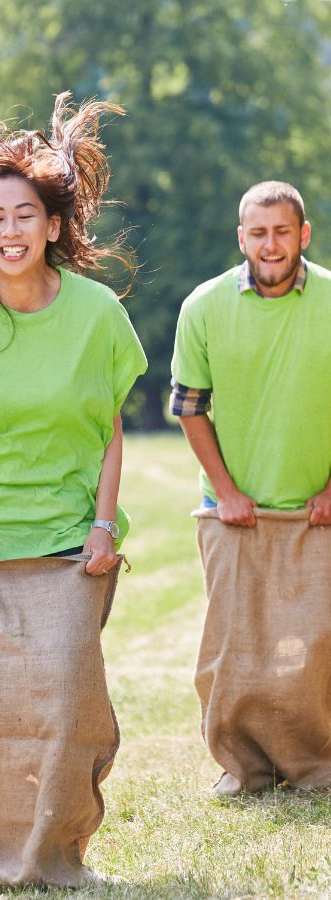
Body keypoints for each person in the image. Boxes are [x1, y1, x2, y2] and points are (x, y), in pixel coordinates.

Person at [0, 93, 147, 895]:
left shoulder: (97, 313)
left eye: (23, 216)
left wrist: (105, 523)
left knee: (72, 704)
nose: (8, 231)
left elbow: (111, 428)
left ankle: (59, 858)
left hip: (71, 543)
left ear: (52, 225)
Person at [171, 180, 331, 796]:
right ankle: (243, 768)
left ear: (303, 235)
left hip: (316, 510)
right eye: (258, 233)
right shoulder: (203, 307)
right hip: (232, 509)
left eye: (282, 232)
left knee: (315, 650)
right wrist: (225, 490)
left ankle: (317, 765)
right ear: (242, 238)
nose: (270, 244)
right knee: (232, 651)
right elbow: (189, 407)